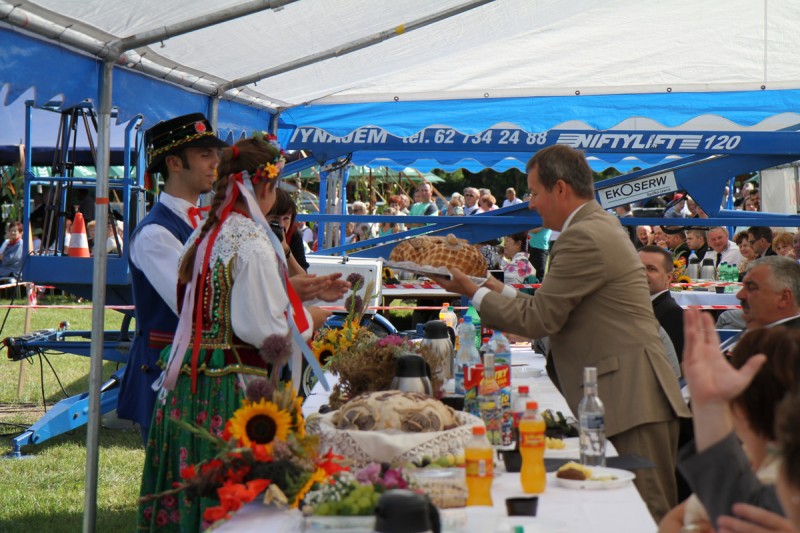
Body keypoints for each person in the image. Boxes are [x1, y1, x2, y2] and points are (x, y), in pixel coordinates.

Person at [433, 144, 689, 521]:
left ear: (561, 189)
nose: (531, 203)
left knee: (644, 515)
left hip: (629, 397)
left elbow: (540, 318)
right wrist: (484, 281)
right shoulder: (593, 226)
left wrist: (473, 291)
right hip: (628, 394)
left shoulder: (582, 235)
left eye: (534, 192)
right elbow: (549, 306)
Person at [138, 136, 347, 531]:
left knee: (193, 489)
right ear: (264, 186)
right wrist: (311, 318)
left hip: (188, 381)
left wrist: (292, 296)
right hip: (226, 388)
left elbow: (227, 303)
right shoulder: (250, 241)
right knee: (236, 500)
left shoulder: (206, 232)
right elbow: (259, 329)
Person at [117, 113, 230, 444]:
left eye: (216, 155)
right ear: (174, 163)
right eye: (205, 154)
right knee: (169, 486)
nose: (216, 164)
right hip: (166, 373)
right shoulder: (155, 234)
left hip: (195, 370)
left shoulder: (200, 222)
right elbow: (195, 305)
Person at [661, 323, 800, 533]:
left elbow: (732, 507)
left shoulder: (782, 474)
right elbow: (674, 519)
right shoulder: (753, 458)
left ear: (740, 403)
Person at [639, 245, 685, 360]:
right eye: (638, 268)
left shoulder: (672, 313)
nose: (643, 273)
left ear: (668, 278)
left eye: (651, 269)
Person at [267, 187, 309, 274]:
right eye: (275, 218)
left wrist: (286, 250)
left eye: (286, 219)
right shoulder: (254, 234)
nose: (281, 224)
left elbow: (303, 279)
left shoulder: (293, 235)